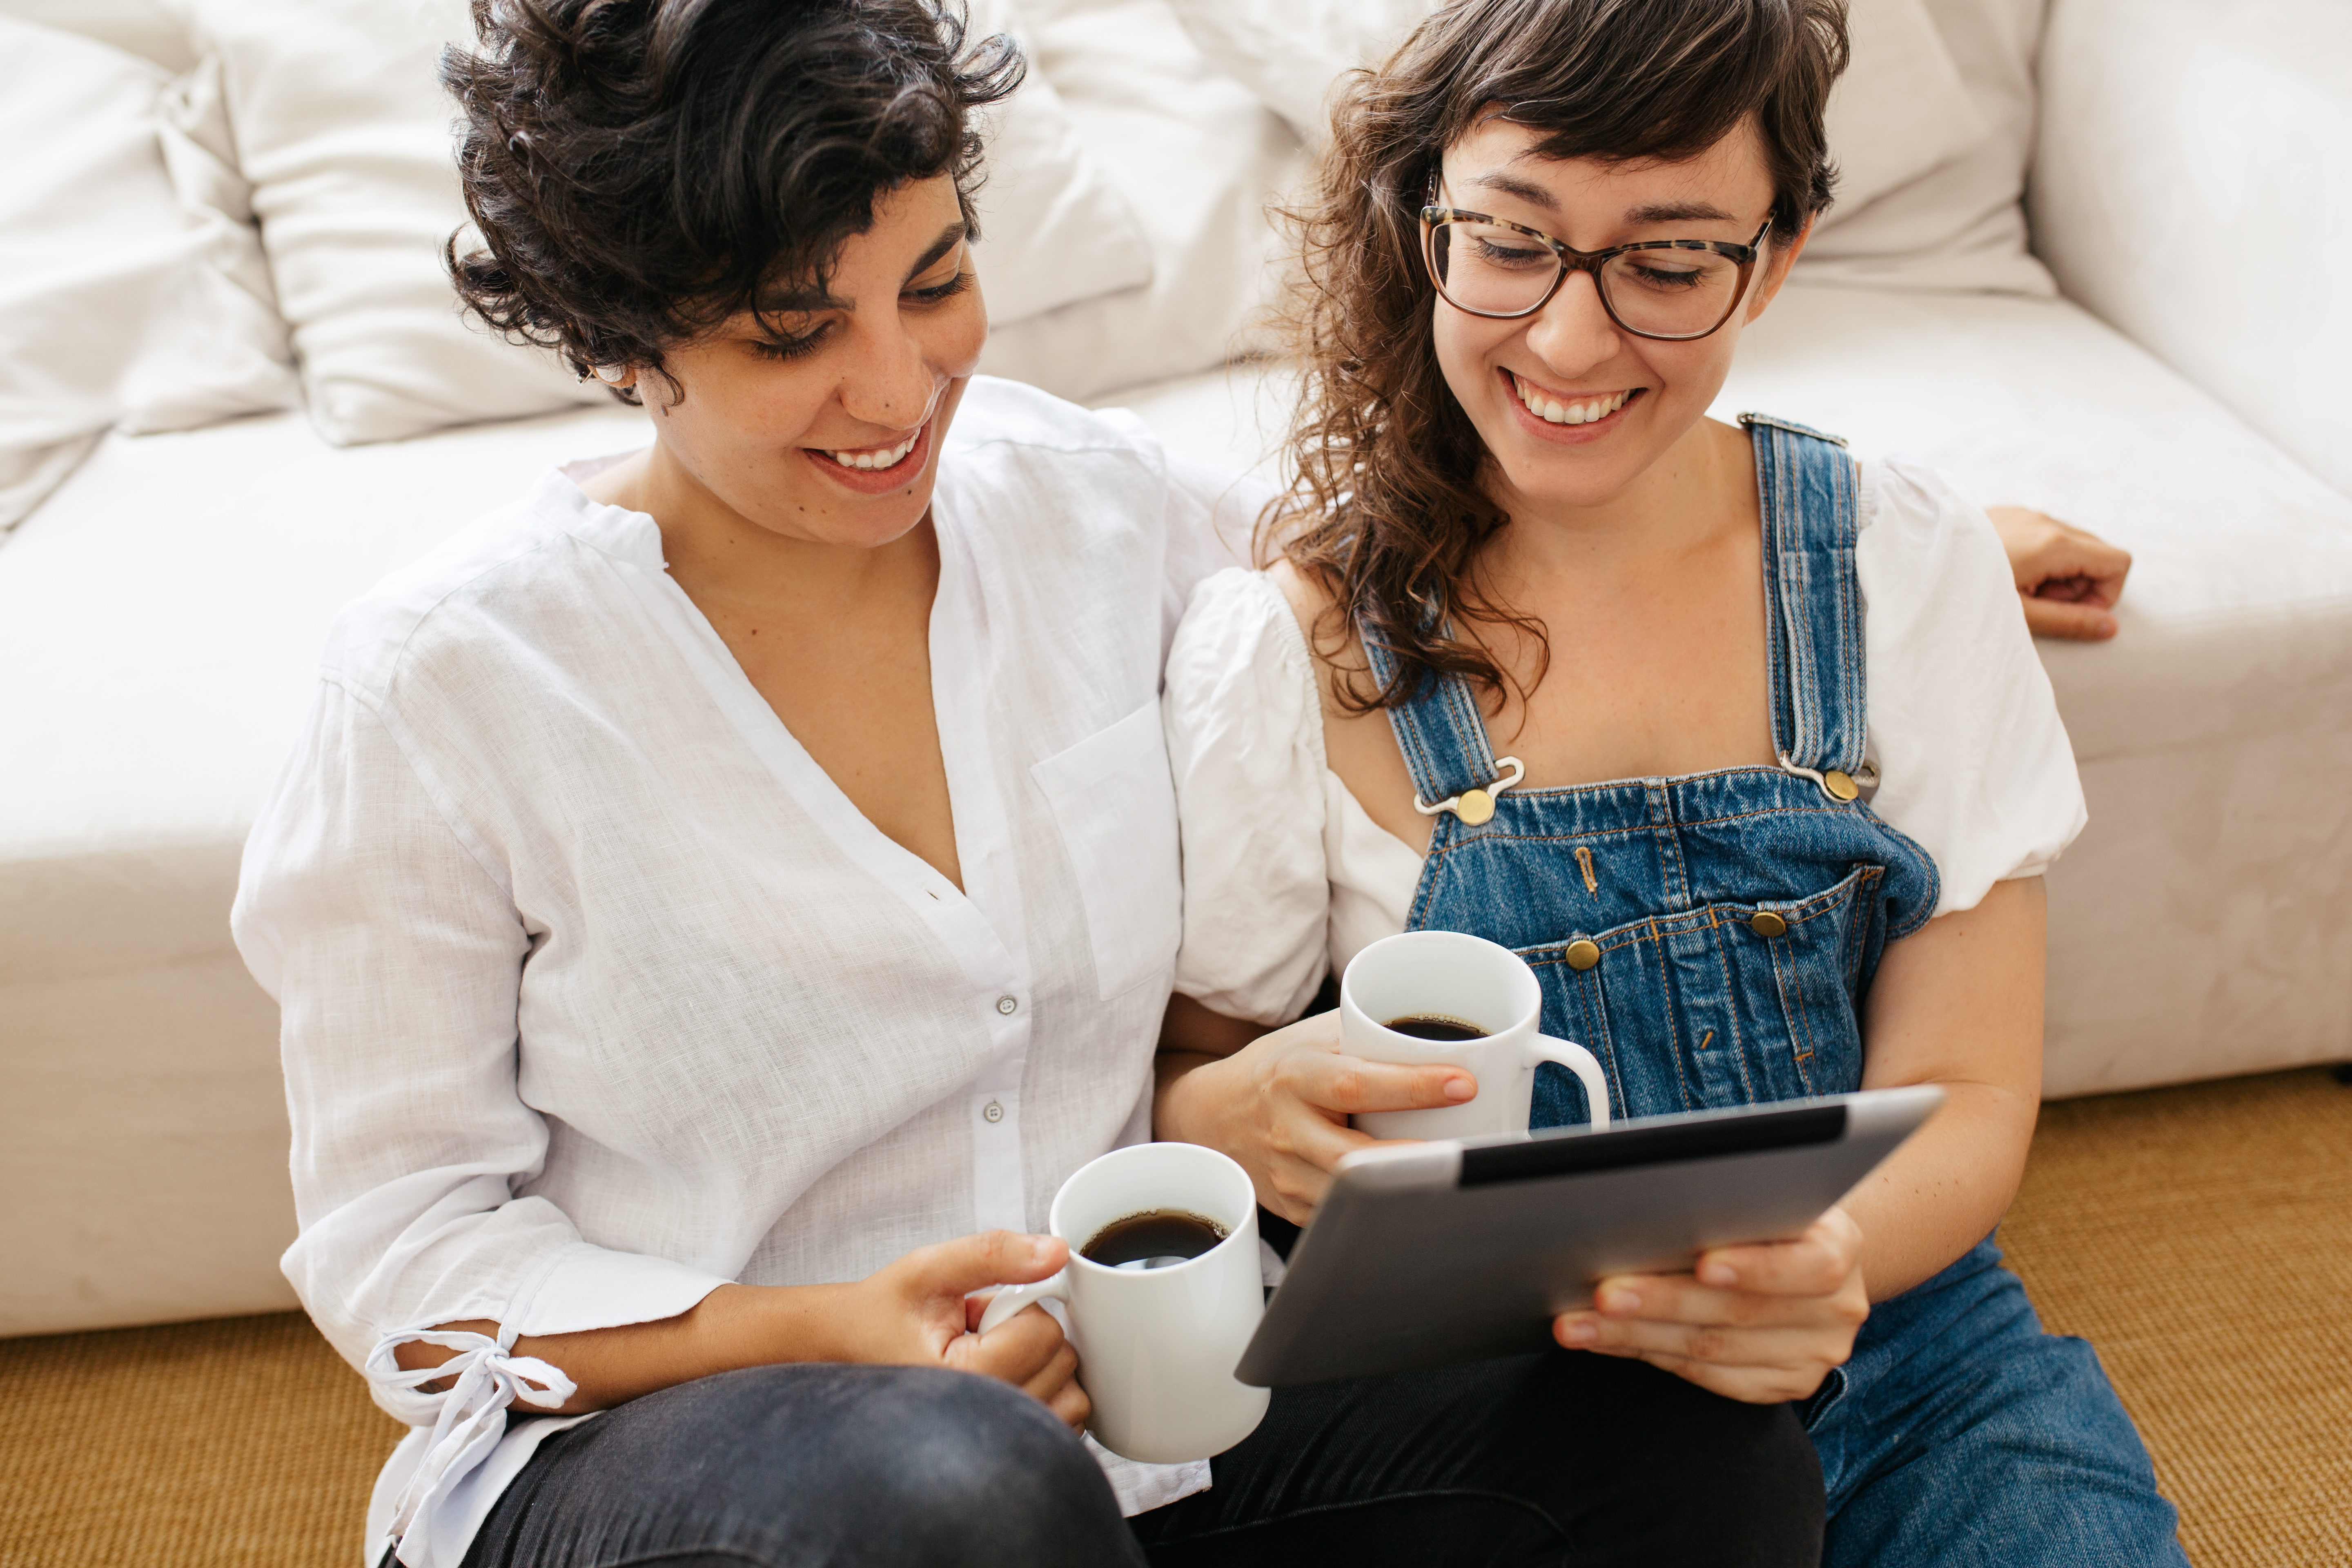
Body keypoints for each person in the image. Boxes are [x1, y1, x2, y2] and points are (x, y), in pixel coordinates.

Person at [231, 2, 1826, 1565]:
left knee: (1671, 1434)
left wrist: (1806, 538)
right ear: (624, 335)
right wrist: (826, 1331)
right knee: (962, 1493)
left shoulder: (1095, 508)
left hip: (1137, 1414)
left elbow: (1430, 550)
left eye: (936, 283)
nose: (897, 383)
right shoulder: (441, 689)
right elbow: (406, 1260)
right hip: (691, 1454)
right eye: (794, 331)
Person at [1154, 1, 2184, 1565]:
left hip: (1893, 1341)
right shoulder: (1292, 649)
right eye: (1511, 243)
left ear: (1775, 257)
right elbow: (1194, 1082)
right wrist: (1224, 1114)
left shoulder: (1904, 567)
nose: (1570, 342)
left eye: (1668, 262)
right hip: (1520, 1411)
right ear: (1425, 216)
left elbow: (1970, 1087)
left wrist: (1827, 1259)